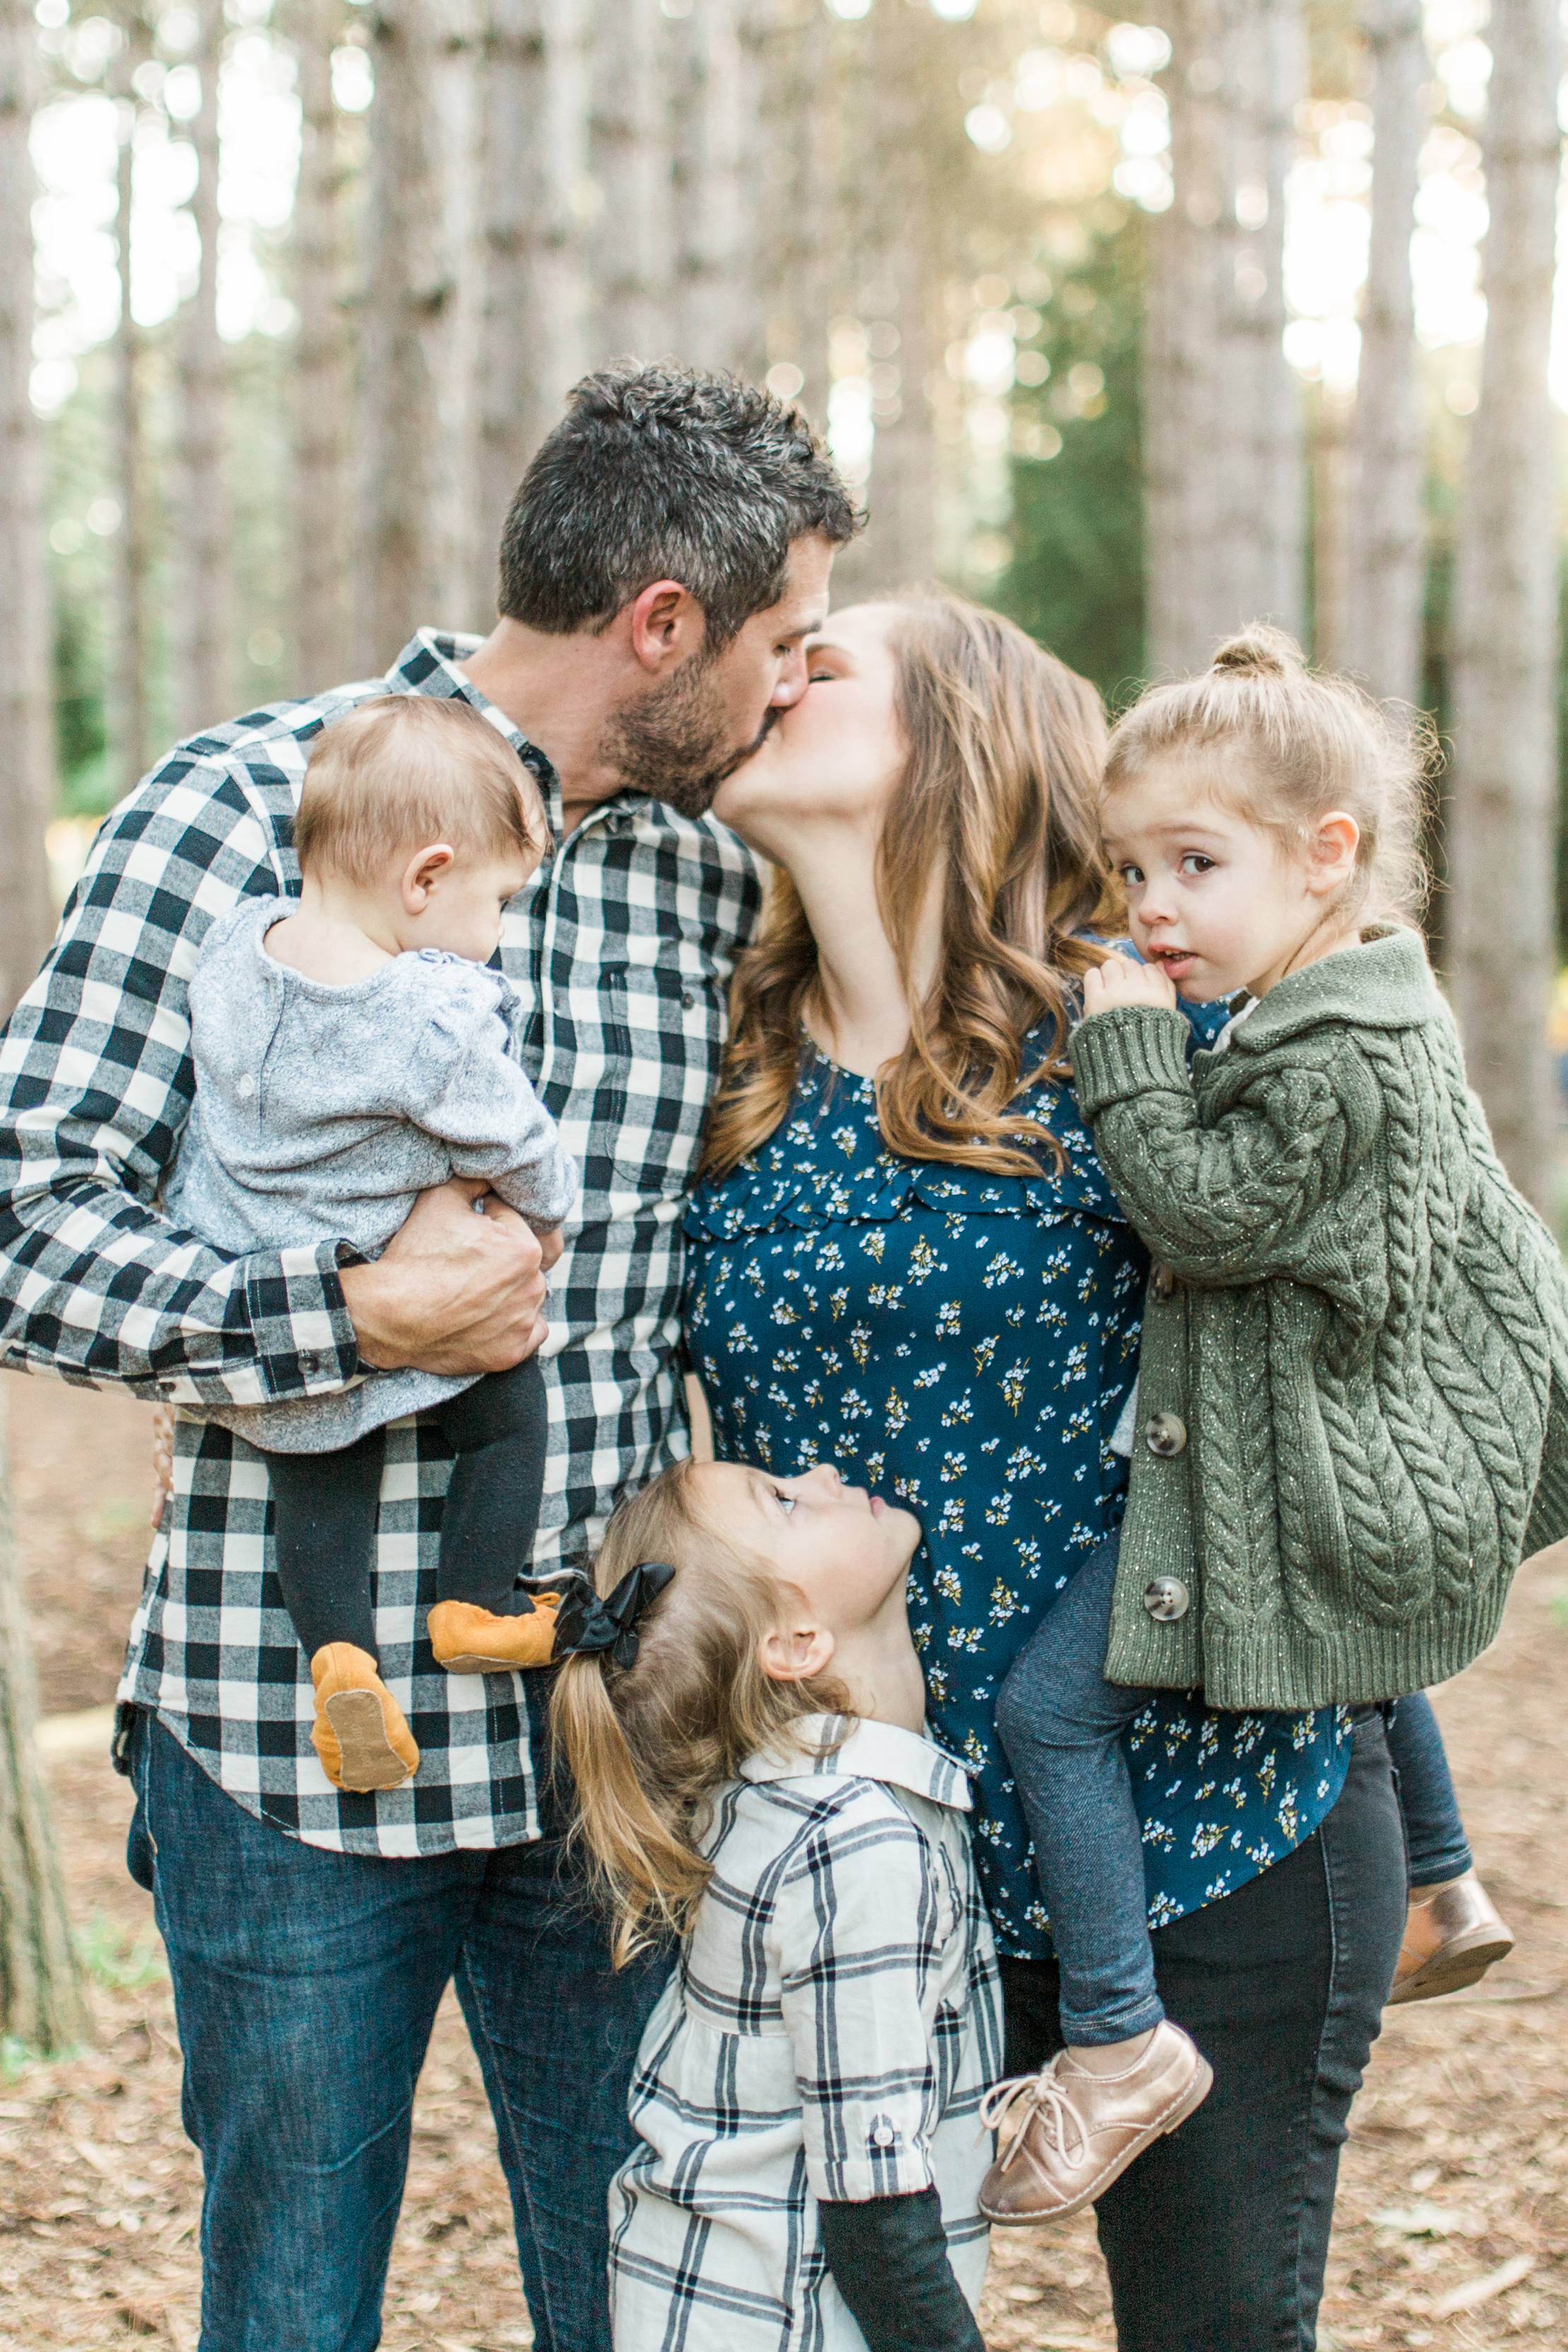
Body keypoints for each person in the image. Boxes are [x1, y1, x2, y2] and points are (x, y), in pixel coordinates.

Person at [0, 365, 857, 2352]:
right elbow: (23, 1219)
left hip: (614, 1747)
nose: (790, 688)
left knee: (655, 2302)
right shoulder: (243, 806)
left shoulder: (718, 885)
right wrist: (342, 1321)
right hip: (286, 1733)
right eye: (780, 642)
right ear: (663, 626)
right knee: (292, 2305)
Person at [683, 588, 1408, 2352]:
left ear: (956, 735)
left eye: (824, 662)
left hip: (1211, 1826)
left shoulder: (1136, 1039)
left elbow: (1361, 1324)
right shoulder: (729, 1070)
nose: (771, 680)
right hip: (881, 1867)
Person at [981, 625, 1557, 2225]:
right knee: (1343, 1650)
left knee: (1052, 1712)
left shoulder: (1340, 1050)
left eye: (1193, 862)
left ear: (1328, 859)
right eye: (1128, 866)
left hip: (1300, 1470)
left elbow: (1203, 1217)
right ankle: (1441, 1878)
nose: (1149, 905)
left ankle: (1114, 2041)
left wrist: (1125, 1051)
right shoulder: (1347, 1004)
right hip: (1324, 1460)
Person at [164, 696, 579, 1792]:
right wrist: (545, 1219)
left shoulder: (231, 953)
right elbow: (514, 1132)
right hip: (407, 1280)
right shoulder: (423, 1012)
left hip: (277, 1303)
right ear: (425, 878)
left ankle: (339, 1660)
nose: (495, 926)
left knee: (315, 1473)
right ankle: (475, 1603)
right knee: (506, 1417)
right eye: (497, 899)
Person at [546, 1455, 1002, 2352]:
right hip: (789, 2321)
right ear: (795, 1642)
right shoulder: (856, 1845)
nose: (824, 1470)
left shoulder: (782, 1796)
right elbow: (873, 2208)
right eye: (787, 1499)